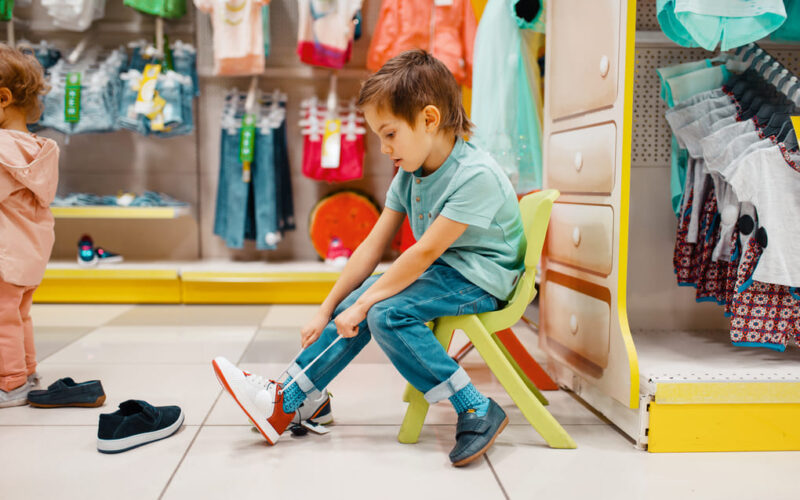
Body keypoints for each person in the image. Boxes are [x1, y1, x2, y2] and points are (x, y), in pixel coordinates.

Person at [213, 49, 526, 466]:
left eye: (390, 134)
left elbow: (426, 250)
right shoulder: (411, 174)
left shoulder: (476, 176)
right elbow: (371, 247)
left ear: (429, 120)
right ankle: (297, 399)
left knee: (382, 312)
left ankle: (475, 407)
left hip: (483, 278)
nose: (382, 148)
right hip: (450, 269)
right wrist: (326, 310)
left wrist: (364, 303)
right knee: (364, 300)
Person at [0, 44, 59, 407]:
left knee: (2, 321)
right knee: (19, 315)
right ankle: (27, 369)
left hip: (4, 256)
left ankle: (9, 383)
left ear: (2, 98)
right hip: (29, 256)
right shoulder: (38, 149)